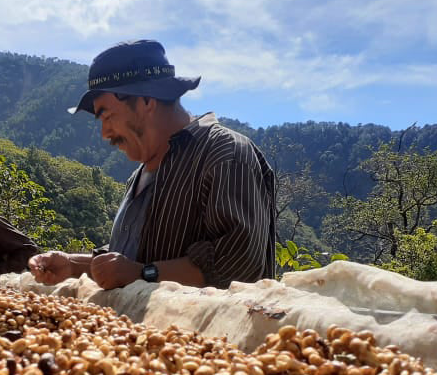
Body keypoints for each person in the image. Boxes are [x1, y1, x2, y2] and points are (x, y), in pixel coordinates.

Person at [28, 39, 275, 290]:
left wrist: (142, 273)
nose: (104, 133)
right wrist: (73, 264)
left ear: (147, 100)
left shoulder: (225, 153)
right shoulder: (140, 174)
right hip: (137, 329)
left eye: (106, 114)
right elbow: (128, 261)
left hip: (205, 329)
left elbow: (240, 265)